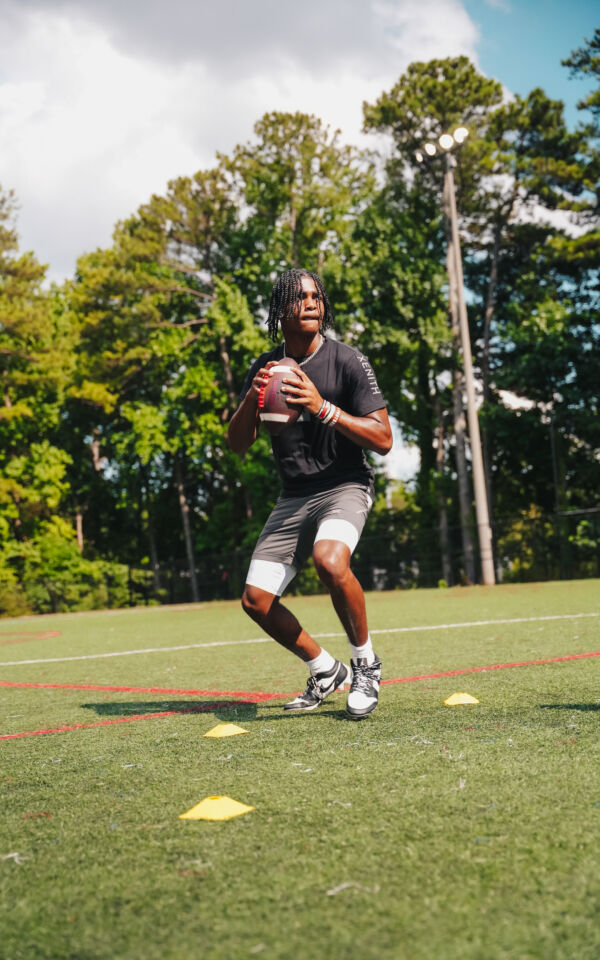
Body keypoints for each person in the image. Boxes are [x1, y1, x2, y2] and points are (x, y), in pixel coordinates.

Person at [227, 268, 393, 719]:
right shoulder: (265, 368)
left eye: (316, 295)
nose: (312, 302)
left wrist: (322, 407)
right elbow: (238, 443)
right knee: (255, 600)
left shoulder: (347, 361)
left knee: (330, 560)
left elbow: (383, 439)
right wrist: (251, 399)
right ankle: (325, 670)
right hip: (293, 495)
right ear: (281, 309)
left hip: (345, 484)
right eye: (300, 297)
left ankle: (365, 665)